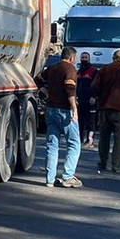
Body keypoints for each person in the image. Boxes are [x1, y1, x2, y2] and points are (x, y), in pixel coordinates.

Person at [42, 47, 83, 188]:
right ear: (72, 58)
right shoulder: (70, 70)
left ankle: (49, 179)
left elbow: (38, 79)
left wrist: (45, 92)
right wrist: (74, 109)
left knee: (52, 145)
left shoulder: (52, 68)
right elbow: (70, 90)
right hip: (65, 111)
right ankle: (68, 176)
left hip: (51, 109)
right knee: (74, 144)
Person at [75, 52, 98, 149]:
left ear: (89, 59)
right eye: (82, 57)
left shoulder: (93, 71)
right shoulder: (79, 72)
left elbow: (97, 85)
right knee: (80, 122)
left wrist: (94, 96)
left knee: (91, 122)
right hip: (80, 100)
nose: (84, 59)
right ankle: (79, 140)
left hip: (90, 101)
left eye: (86, 57)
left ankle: (90, 140)